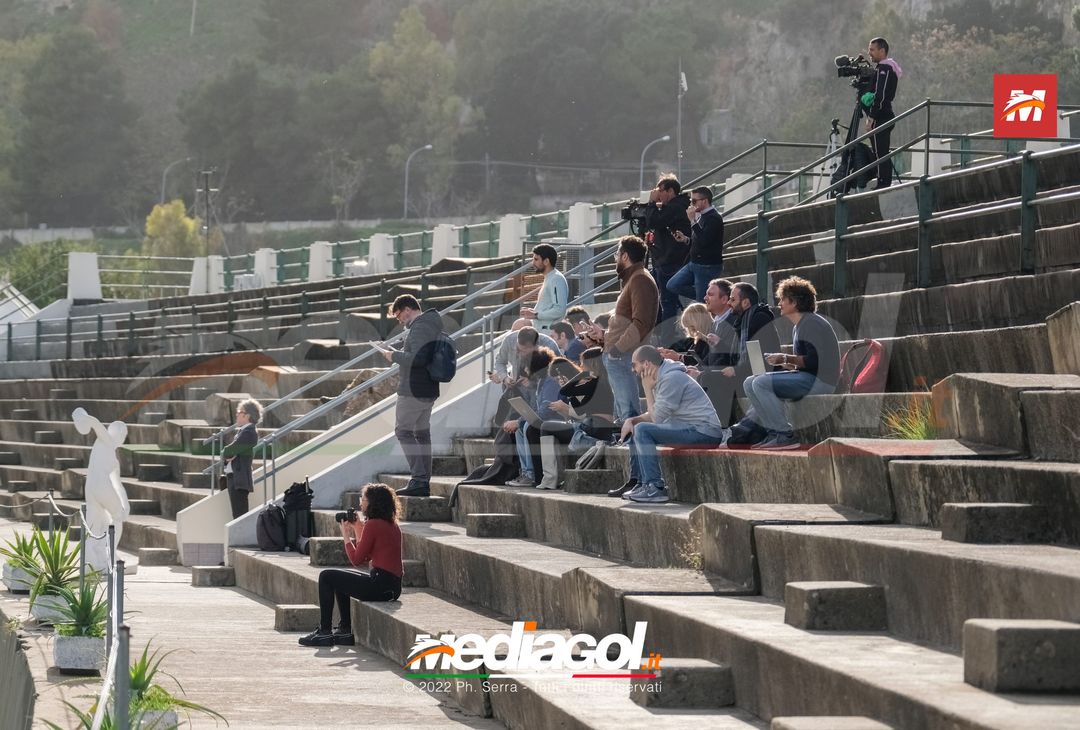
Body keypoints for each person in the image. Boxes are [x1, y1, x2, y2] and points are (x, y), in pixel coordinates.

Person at [609, 346, 725, 503]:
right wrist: (632, 420)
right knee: (636, 427)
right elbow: (657, 413)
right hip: (688, 428)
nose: (633, 369)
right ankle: (642, 484)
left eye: (634, 364)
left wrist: (647, 389)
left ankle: (655, 488)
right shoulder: (664, 375)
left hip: (704, 432)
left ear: (647, 364)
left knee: (643, 430)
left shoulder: (672, 378)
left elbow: (656, 418)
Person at [298, 483, 403, 647]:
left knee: (326, 576)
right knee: (340, 579)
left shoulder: (374, 525)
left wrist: (345, 534)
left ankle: (325, 632)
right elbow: (366, 555)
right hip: (391, 587)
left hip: (380, 585)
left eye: (364, 499)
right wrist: (358, 529)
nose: (361, 503)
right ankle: (344, 631)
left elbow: (356, 559)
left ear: (373, 503)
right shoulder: (391, 524)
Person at [743, 276, 840, 450]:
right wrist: (784, 363)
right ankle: (773, 433)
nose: (780, 303)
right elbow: (805, 363)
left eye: (783, 300)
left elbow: (814, 360)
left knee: (761, 382)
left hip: (821, 382)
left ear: (794, 302)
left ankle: (784, 435)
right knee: (750, 382)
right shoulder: (799, 325)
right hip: (808, 377)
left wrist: (785, 358)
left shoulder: (811, 323)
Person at [383, 295, 444, 497]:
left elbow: (418, 358)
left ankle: (419, 479)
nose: (399, 320)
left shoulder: (420, 326)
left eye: (399, 315)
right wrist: (398, 353)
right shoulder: (427, 324)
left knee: (403, 432)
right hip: (426, 388)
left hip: (414, 389)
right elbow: (419, 353)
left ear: (408, 309)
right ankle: (422, 481)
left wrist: (394, 356)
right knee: (421, 434)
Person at [697, 282, 778, 425]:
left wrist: (736, 370)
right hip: (747, 372)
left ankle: (722, 429)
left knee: (711, 378)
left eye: (733, 300)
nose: (729, 303)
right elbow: (737, 355)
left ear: (746, 302)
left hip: (759, 375)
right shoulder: (743, 320)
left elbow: (759, 362)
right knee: (706, 376)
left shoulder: (757, 319)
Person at [537, 349, 616, 489]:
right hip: (596, 425)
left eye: (582, 364)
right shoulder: (601, 381)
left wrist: (576, 379)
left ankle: (550, 478)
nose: (581, 366)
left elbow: (568, 396)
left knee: (546, 427)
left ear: (590, 364)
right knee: (553, 429)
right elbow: (578, 407)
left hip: (593, 425)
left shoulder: (593, 382)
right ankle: (555, 477)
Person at [603, 236, 659, 422]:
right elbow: (625, 321)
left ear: (625, 256)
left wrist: (617, 350)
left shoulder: (640, 279)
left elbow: (641, 322)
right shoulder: (633, 278)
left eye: (616, 255)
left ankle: (633, 445)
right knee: (622, 415)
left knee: (629, 414)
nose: (615, 259)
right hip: (619, 355)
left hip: (623, 355)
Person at [643, 174, 691, 338]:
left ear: (671, 191)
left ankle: (667, 339)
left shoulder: (676, 207)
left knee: (667, 302)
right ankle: (659, 333)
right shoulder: (672, 207)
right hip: (663, 260)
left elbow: (654, 221)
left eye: (661, 191)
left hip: (670, 261)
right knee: (654, 299)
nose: (658, 194)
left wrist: (650, 203)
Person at [506, 348, 560, 488]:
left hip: (555, 420)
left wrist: (519, 421)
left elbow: (546, 411)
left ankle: (531, 474)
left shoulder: (550, 382)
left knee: (526, 426)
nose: (525, 369)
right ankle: (525, 472)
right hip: (547, 418)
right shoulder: (542, 381)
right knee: (521, 427)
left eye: (527, 366)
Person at [667, 186, 725, 303]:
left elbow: (705, 240)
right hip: (694, 263)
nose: (691, 204)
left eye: (694, 201)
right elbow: (699, 240)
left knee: (701, 305)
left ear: (704, 201)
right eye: (691, 201)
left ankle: (706, 299)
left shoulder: (714, 218)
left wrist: (692, 221)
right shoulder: (702, 217)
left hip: (706, 266)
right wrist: (685, 239)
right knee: (672, 285)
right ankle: (707, 298)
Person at [864, 37, 901, 189]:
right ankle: (882, 181)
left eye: (872, 50)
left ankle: (884, 183)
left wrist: (871, 117)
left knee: (881, 152)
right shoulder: (883, 68)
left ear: (882, 51)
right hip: (883, 115)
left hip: (882, 116)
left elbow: (881, 95)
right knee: (879, 151)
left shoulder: (884, 69)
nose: (869, 53)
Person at [222, 399, 262, 519]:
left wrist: (227, 452)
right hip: (235, 477)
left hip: (239, 479)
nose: (237, 414)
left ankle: (241, 538)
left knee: (239, 514)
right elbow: (229, 453)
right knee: (237, 513)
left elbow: (228, 451)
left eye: (239, 412)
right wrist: (228, 453)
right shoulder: (243, 431)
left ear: (247, 415)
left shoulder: (249, 432)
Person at [490, 324, 560, 387]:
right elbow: (500, 361)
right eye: (517, 349)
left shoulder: (550, 347)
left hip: (539, 389)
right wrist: (505, 378)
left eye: (523, 351)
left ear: (535, 347)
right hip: (516, 385)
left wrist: (532, 384)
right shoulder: (509, 340)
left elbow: (557, 376)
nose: (520, 354)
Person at [520, 244, 569, 332]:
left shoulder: (556, 279)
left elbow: (559, 310)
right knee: (519, 325)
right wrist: (533, 312)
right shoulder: (550, 278)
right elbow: (548, 307)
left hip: (548, 333)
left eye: (536, 259)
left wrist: (536, 315)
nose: (533, 263)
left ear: (546, 261)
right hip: (541, 331)